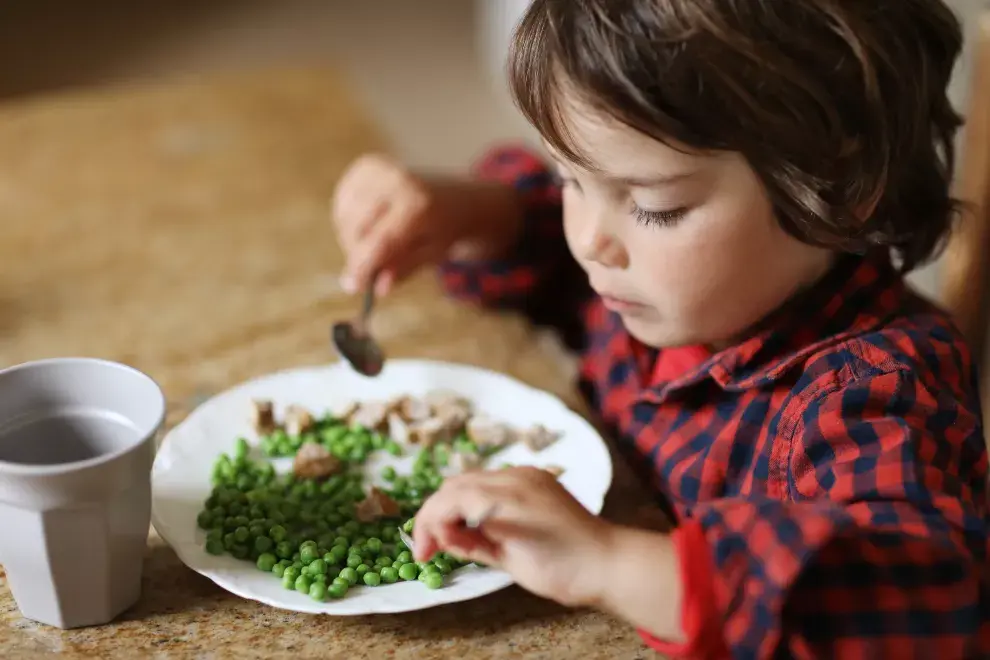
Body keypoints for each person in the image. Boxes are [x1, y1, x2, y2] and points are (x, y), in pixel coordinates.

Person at [331, 0, 990, 657]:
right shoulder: (667, 283)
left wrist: (609, 563)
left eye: (655, 206)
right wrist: (461, 212)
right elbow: (542, 251)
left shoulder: (873, 397)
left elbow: (921, 614)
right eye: (571, 177)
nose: (590, 240)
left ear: (838, 184)